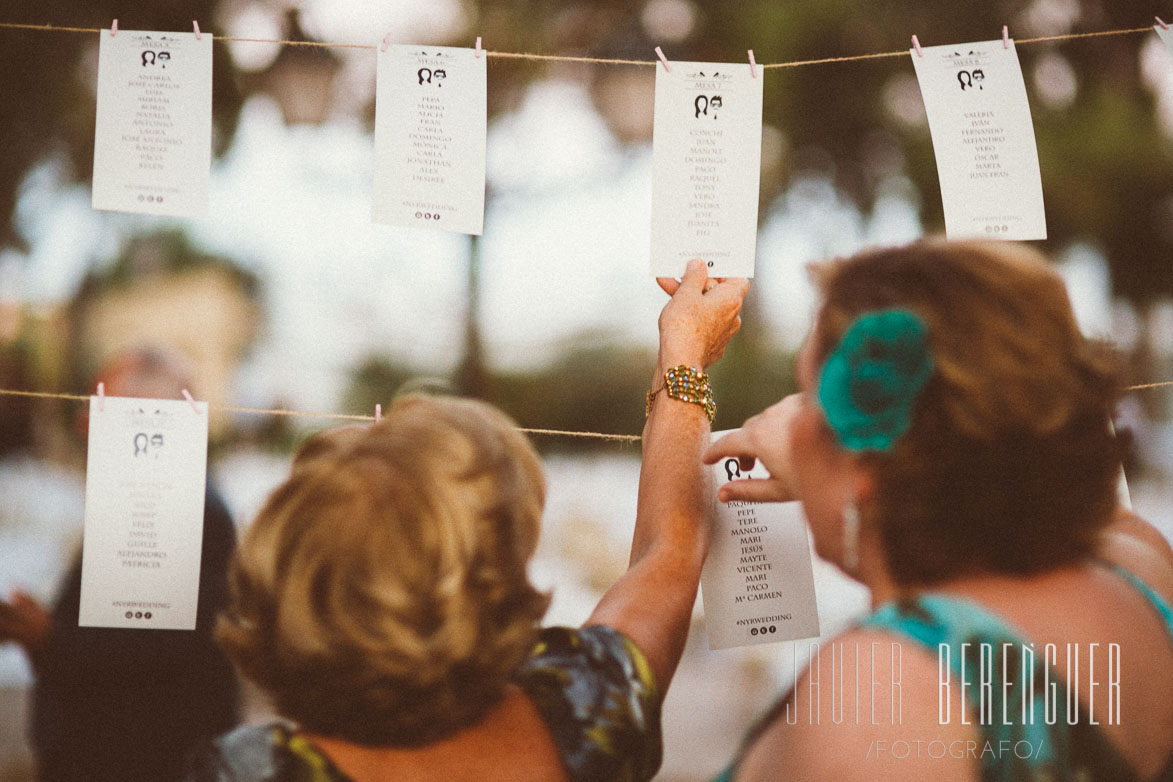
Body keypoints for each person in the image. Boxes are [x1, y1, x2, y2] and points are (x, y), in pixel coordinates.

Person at [183, 259, 749, 782]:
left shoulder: (242, 773)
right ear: (494, 581)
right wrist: (685, 352)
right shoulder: (589, 713)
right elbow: (670, 548)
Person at [703, 239, 1173, 781]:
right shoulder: (1139, 568)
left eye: (805, 397)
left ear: (863, 452)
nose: (788, 420)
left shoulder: (884, 690)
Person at [0, 347, 240, 782]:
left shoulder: (175, 505)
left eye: (98, 407)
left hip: (135, 761)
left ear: (146, 418)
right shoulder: (152, 496)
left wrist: (45, 636)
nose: (82, 423)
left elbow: (151, 653)